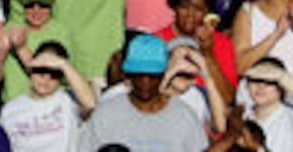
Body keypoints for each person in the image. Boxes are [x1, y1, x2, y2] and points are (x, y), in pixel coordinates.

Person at [79, 34, 210, 151]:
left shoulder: (184, 117)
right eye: (138, 75)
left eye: (152, 76)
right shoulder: (105, 115)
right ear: (128, 75)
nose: (145, 82)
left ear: (163, 75)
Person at [0, 41, 95, 152]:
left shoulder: (68, 100)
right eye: (41, 70)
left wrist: (63, 64)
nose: (46, 79)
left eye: (54, 73)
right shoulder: (10, 109)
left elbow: (90, 104)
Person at [239, 58, 293, 152]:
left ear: (282, 86)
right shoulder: (240, 118)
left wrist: (280, 76)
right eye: (256, 80)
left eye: (269, 81)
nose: (261, 86)